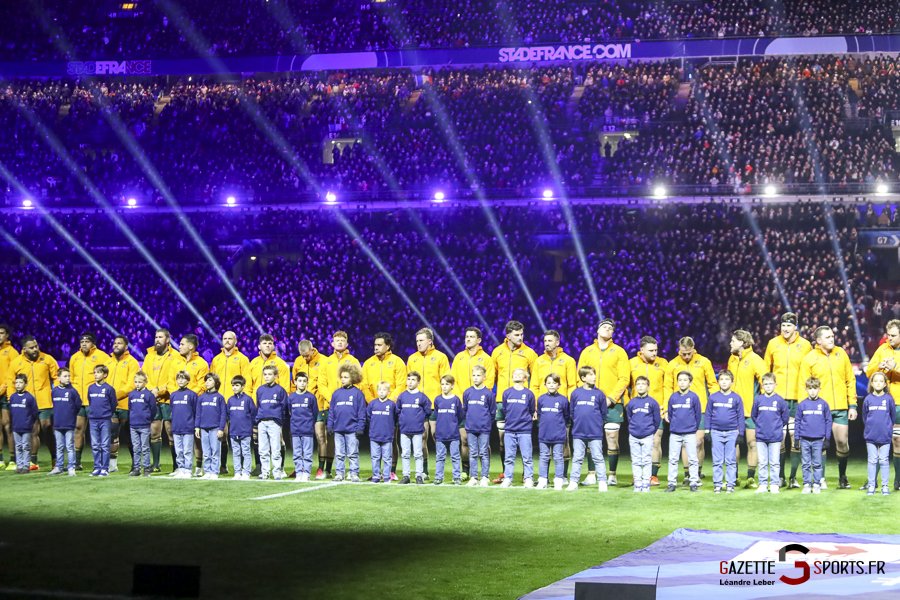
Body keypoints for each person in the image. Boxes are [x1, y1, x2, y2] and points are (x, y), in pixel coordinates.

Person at [797, 326, 856, 490]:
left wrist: (852, 405)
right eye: (828, 337)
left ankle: (842, 476)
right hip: (819, 410)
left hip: (840, 408)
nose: (832, 339)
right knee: (819, 444)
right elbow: (802, 385)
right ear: (818, 340)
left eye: (832, 336)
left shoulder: (841, 353)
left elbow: (850, 380)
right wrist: (805, 410)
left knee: (842, 442)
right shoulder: (809, 358)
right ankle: (820, 479)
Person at [577, 319, 630, 486]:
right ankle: (591, 475)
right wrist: (587, 396)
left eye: (611, 328)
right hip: (591, 402)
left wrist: (611, 398)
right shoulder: (587, 351)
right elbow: (580, 376)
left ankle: (612, 475)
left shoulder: (619, 352)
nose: (608, 329)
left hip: (613, 403)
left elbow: (624, 378)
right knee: (591, 438)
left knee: (612, 437)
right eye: (605, 327)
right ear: (598, 330)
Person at [764, 313, 811, 488]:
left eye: (789, 325)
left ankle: (793, 477)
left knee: (795, 437)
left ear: (795, 327)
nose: (785, 328)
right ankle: (781, 476)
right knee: (780, 438)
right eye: (783, 325)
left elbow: (809, 371)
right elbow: (766, 370)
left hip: (798, 398)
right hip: (777, 399)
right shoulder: (773, 343)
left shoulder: (805, 345)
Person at [665, 337, 717, 486]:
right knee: (683, 443)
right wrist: (667, 408)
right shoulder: (673, 364)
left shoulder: (704, 362)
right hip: (680, 408)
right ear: (679, 350)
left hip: (700, 408)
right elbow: (668, 387)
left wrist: (715, 404)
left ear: (694, 349)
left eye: (689, 353)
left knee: (698, 442)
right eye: (684, 353)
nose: (687, 356)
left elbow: (712, 384)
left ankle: (697, 473)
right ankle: (687, 475)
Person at [491, 320, 537, 483]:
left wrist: (534, 403)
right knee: (503, 440)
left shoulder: (529, 353)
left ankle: (526, 475)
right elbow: (492, 377)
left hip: (523, 402)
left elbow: (535, 378)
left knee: (525, 441)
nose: (520, 337)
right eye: (517, 335)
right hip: (502, 401)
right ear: (508, 336)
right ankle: (506, 473)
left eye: (522, 334)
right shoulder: (497, 352)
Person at [7, 336, 59, 470]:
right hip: (27, 403)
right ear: (24, 349)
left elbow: (56, 376)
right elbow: (11, 382)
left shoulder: (47, 359)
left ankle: (55, 458)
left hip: (45, 401)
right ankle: (33, 461)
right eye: (31, 348)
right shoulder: (16, 363)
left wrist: (56, 393)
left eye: (36, 346)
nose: (35, 349)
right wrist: (12, 399)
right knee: (32, 431)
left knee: (48, 428)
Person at [451, 326, 495, 480]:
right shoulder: (459, 357)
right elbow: (453, 380)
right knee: (464, 440)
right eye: (466, 336)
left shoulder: (486, 358)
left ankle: (485, 473)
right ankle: (467, 471)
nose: (468, 339)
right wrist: (461, 398)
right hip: (464, 404)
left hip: (479, 405)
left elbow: (489, 380)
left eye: (471, 336)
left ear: (479, 340)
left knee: (484, 443)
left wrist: (478, 394)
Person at [531, 330, 576, 479]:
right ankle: (544, 477)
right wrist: (535, 407)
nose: (547, 343)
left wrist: (569, 405)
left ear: (557, 342)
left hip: (561, 408)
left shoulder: (568, 360)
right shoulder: (539, 361)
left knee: (564, 441)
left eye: (550, 341)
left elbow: (572, 385)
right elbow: (534, 386)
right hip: (544, 408)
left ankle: (562, 476)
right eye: (545, 341)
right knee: (546, 442)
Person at [361, 332, 406, 480]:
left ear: (388, 346)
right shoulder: (368, 363)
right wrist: (373, 403)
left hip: (391, 407)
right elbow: (364, 385)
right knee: (376, 439)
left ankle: (391, 471)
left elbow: (401, 385)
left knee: (391, 439)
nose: (376, 347)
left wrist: (389, 402)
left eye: (379, 345)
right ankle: (377, 473)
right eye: (375, 345)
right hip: (374, 407)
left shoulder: (397, 362)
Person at [407, 328, 450, 481]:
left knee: (436, 435)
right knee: (421, 437)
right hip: (418, 404)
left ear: (430, 341)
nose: (418, 343)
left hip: (435, 403)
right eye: (417, 341)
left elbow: (446, 379)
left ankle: (440, 470)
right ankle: (424, 470)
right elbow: (409, 382)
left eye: (421, 340)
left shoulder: (440, 357)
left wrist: (443, 400)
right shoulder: (412, 358)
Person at [726, 330, 767, 489]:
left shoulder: (756, 360)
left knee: (752, 443)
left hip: (750, 411)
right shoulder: (732, 359)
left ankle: (750, 478)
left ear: (742, 342)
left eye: (733, 341)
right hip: (732, 411)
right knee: (732, 444)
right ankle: (734, 477)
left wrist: (761, 406)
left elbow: (765, 384)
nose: (730, 343)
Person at [317, 331, 360, 479]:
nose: (340, 342)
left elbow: (358, 382)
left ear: (347, 343)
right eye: (337, 340)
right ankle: (329, 470)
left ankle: (352, 471)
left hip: (348, 407)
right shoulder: (326, 362)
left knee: (350, 440)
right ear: (332, 344)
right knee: (330, 439)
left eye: (342, 340)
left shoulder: (353, 360)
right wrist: (331, 399)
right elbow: (321, 384)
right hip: (330, 406)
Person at [864, 319, 900, 491]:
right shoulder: (882, 349)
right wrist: (878, 366)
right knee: (881, 440)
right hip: (881, 402)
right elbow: (868, 371)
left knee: (897, 441)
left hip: (898, 402)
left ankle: (897, 481)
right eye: (888, 335)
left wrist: (895, 367)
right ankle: (873, 481)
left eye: (893, 335)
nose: (889, 338)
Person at [210, 331, 252, 475]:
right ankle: (222, 466)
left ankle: (242, 467)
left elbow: (247, 380)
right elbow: (212, 380)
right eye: (225, 338)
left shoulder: (242, 359)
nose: (227, 341)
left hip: (236, 402)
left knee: (238, 434)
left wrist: (246, 399)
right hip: (218, 402)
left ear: (235, 341)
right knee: (221, 434)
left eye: (230, 339)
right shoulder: (216, 359)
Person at [248, 334, 290, 476]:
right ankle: (260, 467)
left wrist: (281, 412)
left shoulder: (281, 364)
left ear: (273, 346)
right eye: (264, 343)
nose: (267, 345)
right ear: (259, 346)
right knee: (257, 439)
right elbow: (249, 386)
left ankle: (281, 468)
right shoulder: (253, 363)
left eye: (270, 343)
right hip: (257, 409)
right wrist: (250, 405)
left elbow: (285, 389)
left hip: (274, 411)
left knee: (279, 439)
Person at [629, 336, 668, 486]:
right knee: (637, 444)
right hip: (638, 410)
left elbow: (668, 386)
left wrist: (665, 405)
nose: (654, 353)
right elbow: (626, 384)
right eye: (651, 350)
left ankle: (653, 476)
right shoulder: (631, 363)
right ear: (642, 350)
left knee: (656, 442)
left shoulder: (663, 363)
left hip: (657, 409)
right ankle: (637, 475)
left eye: (656, 350)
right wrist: (628, 404)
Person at [169, 334, 209, 477]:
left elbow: (202, 384)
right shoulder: (175, 362)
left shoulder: (201, 363)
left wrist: (189, 395)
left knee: (195, 437)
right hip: (178, 402)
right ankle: (180, 468)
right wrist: (177, 394)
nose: (179, 346)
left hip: (194, 402)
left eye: (182, 344)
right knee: (177, 438)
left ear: (191, 346)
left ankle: (197, 467)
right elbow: (170, 382)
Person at [69, 333, 109, 472]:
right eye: (82, 342)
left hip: (95, 400)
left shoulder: (102, 356)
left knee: (98, 432)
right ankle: (77, 462)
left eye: (87, 341)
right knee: (78, 429)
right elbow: (72, 378)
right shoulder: (75, 358)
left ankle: (101, 462)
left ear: (93, 343)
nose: (84, 344)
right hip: (79, 401)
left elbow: (107, 377)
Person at [567, 365, 609, 492]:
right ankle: (573, 482)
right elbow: (572, 412)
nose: (594, 377)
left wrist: (596, 424)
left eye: (594, 374)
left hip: (595, 432)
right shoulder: (576, 393)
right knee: (577, 458)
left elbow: (603, 413)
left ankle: (602, 482)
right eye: (591, 375)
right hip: (578, 432)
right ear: (583, 378)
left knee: (598, 458)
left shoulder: (599, 394)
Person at [293, 340, 329, 479]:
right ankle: (299, 468)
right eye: (303, 355)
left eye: (307, 355)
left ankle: (321, 468)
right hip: (301, 406)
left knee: (320, 436)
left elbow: (324, 383)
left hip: (318, 405)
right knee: (297, 436)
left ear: (313, 350)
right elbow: (294, 383)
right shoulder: (298, 361)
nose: (305, 358)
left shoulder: (323, 360)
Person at [705, 370, 745, 494]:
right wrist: (707, 431)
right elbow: (708, 414)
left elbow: (740, 416)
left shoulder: (736, 398)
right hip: (716, 432)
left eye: (727, 379)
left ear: (732, 382)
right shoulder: (713, 397)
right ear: (718, 382)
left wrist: (741, 433)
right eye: (722, 379)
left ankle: (730, 484)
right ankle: (717, 484)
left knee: (730, 460)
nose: (724, 382)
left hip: (732, 432)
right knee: (717, 461)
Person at [326, 363, 366, 483]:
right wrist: (330, 425)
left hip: (352, 429)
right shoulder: (336, 393)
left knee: (353, 453)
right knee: (339, 453)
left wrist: (360, 427)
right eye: (342, 377)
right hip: (338, 429)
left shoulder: (358, 394)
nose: (343, 379)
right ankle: (339, 474)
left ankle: (354, 474)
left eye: (346, 377)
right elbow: (332, 411)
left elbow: (361, 412)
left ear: (353, 378)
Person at [750, 373, 789, 494]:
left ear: (775, 385)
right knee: (762, 462)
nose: (768, 386)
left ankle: (774, 484)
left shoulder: (780, 400)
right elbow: (754, 415)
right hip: (761, 437)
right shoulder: (758, 400)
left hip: (775, 437)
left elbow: (785, 418)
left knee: (774, 462)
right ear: (762, 386)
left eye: (770, 383)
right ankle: (762, 484)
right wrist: (760, 426)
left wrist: (776, 428)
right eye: (765, 384)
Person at [105, 335, 139, 474]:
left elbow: (131, 385)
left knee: (130, 436)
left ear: (126, 347)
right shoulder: (108, 362)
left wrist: (114, 395)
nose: (116, 345)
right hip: (111, 405)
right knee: (112, 433)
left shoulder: (132, 362)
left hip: (126, 404)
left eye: (119, 343)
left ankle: (136, 464)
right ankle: (112, 465)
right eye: (114, 343)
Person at [145, 328, 177, 473]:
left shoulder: (175, 356)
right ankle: (156, 464)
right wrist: (152, 391)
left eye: (160, 337)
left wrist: (160, 390)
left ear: (167, 340)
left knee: (170, 431)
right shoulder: (149, 356)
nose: (157, 340)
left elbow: (175, 378)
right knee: (154, 431)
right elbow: (144, 376)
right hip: (153, 399)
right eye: (156, 337)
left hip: (168, 398)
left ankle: (176, 465)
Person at [664, 370, 702, 493]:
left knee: (693, 459)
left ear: (690, 383)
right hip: (675, 433)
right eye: (680, 380)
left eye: (685, 380)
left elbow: (698, 415)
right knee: (673, 459)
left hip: (690, 433)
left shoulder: (694, 397)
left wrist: (693, 428)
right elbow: (670, 414)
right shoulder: (673, 397)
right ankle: (671, 483)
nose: (682, 382)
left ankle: (694, 483)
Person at [795, 377, 832, 494]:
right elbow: (797, 421)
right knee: (806, 463)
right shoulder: (802, 404)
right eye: (810, 388)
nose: (812, 391)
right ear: (806, 389)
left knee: (817, 463)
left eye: (815, 388)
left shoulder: (823, 404)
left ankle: (816, 484)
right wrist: (796, 438)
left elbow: (828, 421)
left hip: (818, 440)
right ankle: (806, 484)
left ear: (819, 389)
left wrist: (827, 438)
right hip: (804, 439)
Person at [861, 372, 895, 496]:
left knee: (884, 461)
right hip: (871, 436)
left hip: (885, 436)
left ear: (885, 384)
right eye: (876, 381)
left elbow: (892, 416)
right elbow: (865, 417)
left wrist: (887, 429)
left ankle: (885, 486)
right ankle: (871, 485)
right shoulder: (868, 399)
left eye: (881, 381)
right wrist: (871, 429)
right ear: (872, 383)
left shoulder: (889, 399)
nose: (878, 383)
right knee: (872, 460)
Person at [502, 368, 536, 488]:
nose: (517, 375)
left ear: (525, 379)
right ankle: (507, 478)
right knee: (509, 457)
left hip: (524, 430)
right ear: (512, 378)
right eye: (515, 374)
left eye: (520, 374)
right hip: (510, 430)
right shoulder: (507, 392)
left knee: (527, 458)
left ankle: (528, 479)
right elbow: (505, 409)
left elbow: (531, 410)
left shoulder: (529, 394)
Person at [396, 371, 431, 485]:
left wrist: (419, 419)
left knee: (418, 454)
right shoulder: (402, 396)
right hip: (404, 430)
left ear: (418, 383)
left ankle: (419, 476)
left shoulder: (422, 396)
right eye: (409, 379)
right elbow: (398, 410)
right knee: (405, 454)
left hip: (417, 430)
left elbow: (428, 411)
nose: (410, 382)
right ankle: (406, 476)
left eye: (413, 380)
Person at [627, 375, 660, 493]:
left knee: (646, 460)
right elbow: (630, 418)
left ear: (648, 387)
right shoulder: (632, 402)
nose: (641, 386)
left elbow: (657, 420)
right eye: (638, 384)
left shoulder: (652, 402)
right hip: (634, 436)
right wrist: (633, 429)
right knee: (636, 460)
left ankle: (646, 483)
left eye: (643, 384)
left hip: (647, 436)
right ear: (635, 387)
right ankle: (637, 482)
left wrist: (650, 431)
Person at [464, 364, 496, 487]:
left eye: (478, 375)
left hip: (484, 429)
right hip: (471, 428)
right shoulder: (467, 392)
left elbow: (492, 412)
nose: (476, 378)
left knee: (483, 453)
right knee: (472, 453)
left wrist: (486, 423)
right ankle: (474, 477)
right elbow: (465, 409)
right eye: (474, 375)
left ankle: (484, 477)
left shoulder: (488, 394)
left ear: (484, 377)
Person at [536, 373, 569, 490]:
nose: (551, 385)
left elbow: (566, 416)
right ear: (545, 385)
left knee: (558, 458)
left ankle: (558, 481)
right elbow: (540, 414)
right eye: (549, 383)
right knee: (543, 457)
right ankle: (542, 480)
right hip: (544, 434)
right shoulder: (541, 399)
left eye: (554, 383)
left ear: (559, 385)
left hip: (558, 435)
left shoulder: (563, 400)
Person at [255, 365, 288, 481]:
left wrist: (279, 422)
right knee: (263, 449)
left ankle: (277, 472)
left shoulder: (280, 390)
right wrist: (258, 421)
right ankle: (265, 472)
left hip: (274, 422)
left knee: (275, 449)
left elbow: (284, 408)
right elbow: (258, 405)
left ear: (276, 376)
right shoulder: (260, 389)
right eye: (265, 374)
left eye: (270, 374)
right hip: (262, 422)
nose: (267, 377)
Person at [286, 371, 318, 482]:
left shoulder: (311, 397)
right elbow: (289, 411)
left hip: (307, 431)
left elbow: (315, 413)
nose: (302, 383)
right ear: (295, 382)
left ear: (307, 383)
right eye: (299, 381)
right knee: (297, 454)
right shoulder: (291, 397)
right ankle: (299, 473)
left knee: (307, 454)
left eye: (304, 381)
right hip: (295, 430)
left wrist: (309, 425)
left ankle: (306, 474)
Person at [49, 367, 81, 476]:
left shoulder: (72, 391)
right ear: (58, 378)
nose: (68, 378)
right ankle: (59, 467)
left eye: (69, 376)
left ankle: (71, 467)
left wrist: (70, 414)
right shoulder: (55, 391)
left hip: (69, 423)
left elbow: (78, 405)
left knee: (70, 446)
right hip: (58, 423)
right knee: (59, 446)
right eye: (65, 376)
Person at [433, 374, 465, 485]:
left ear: (452, 386)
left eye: (447, 384)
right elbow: (437, 414)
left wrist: (453, 425)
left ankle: (457, 477)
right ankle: (438, 477)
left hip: (453, 434)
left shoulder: (456, 399)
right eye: (442, 384)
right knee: (440, 457)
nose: (444, 386)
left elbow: (460, 415)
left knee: (455, 457)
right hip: (440, 434)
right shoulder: (438, 399)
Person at [87, 364, 117, 477]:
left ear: (105, 375)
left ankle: (105, 468)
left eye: (98, 372)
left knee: (105, 445)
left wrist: (107, 413)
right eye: (95, 372)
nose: (96, 374)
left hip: (105, 420)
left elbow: (113, 404)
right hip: (93, 420)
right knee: (95, 445)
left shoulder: (109, 389)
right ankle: (97, 467)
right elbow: (90, 401)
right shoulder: (91, 388)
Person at [195, 373, 227, 480]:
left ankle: (214, 472)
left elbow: (223, 414)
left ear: (216, 382)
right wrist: (197, 427)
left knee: (215, 451)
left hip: (215, 428)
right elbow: (198, 413)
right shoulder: (201, 397)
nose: (207, 382)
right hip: (204, 428)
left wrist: (221, 428)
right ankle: (207, 471)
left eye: (210, 380)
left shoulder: (220, 397)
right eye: (206, 380)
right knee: (206, 452)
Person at [169, 370, 199, 479]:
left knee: (187, 450)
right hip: (176, 427)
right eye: (178, 378)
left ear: (188, 381)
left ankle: (188, 470)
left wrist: (195, 426)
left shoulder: (192, 394)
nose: (180, 380)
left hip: (188, 427)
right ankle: (181, 469)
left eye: (183, 378)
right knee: (179, 451)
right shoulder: (173, 395)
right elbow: (172, 410)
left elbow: (196, 411)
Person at [226, 375, 257, 480]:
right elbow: (228, 415)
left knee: (246, 452)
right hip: (233, 431)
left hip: (245, 431)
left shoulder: (248, 399)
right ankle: (237, 472)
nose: (234, 387)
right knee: (236, 453)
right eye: (233, 385)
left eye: (237, 385)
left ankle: (246, 472)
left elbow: (253, 414)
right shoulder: (230, 400)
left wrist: (252, 428)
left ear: (243, 386)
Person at [367, 381, 397, 484]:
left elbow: (395, 417)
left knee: (387, 458)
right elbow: (369, 417)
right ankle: (376, 476)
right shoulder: (372, 404)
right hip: (374, 435)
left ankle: (387, 477)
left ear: (388, 392)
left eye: (384, 390)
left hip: (387, 436)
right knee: (375, 457)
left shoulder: (391, 404)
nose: (381, 392)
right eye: (379, 390)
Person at [128, 371, 157, 477]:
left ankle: (146, 468)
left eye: (140, 382)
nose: (137, 384)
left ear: (145, 382)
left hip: (144, 425)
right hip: (133, 425)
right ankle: (136, 468)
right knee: (136, 448)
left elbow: (153, 409)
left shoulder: (149, 395)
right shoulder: (132, 394)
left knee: (145, 447)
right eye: (135, 382)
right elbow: (130, 408)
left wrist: (148, 419)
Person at [0, 323, 19, 470]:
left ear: (6, 336)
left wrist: (3, 389)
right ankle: (0, 459)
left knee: (8, 425)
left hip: (6, 393)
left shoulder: (12, 352)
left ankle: (13, 459)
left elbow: (12, 375)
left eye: (1, 333)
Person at [9, 374, 38, 474]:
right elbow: (12, 412)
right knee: (18, 446)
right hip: (16, 427)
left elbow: (34, 413)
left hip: (26, 427)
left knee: (25, 446)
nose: (18, 385)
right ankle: (19, 466)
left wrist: (29, 422)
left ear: (26, 384)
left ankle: (26, 466)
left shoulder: (30, 398)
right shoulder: (13, 397)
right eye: (16, 382)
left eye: (20, 382)